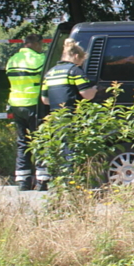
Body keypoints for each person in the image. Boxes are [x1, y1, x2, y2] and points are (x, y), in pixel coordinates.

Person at [38, 38, 97, 190]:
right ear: (76, 57)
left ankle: (59, 182)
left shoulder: (50, 73)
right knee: (71, 150)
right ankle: (72, 183)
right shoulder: (74, 71)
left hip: (56, 117)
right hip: (72, 116)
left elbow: (45, 99)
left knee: (60, 149)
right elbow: (86, 94)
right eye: (82, 60)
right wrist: (95, 89)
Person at [5, 34, 46, 191]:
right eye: (40, 44)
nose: (41, 47)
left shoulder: (13, 59)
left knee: (23, 142)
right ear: (35, 44)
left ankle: (23, 181)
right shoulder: (39, 59)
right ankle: (42, 179)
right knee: (40, 141)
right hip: (33, 104)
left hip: (16, 103)